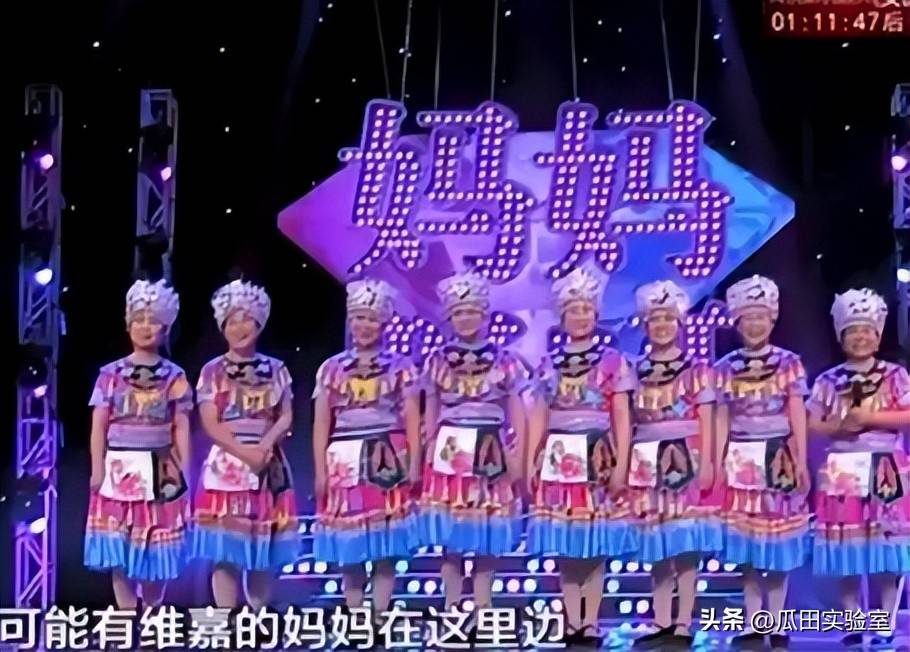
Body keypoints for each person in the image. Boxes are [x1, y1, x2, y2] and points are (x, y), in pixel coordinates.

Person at [526, 266, 639, 647]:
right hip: (559, 458)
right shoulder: (549, 364)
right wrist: (530, 459)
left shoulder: (612, 361)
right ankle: (572, 619)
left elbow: (621, 416)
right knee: (567, 544)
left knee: (595, 544)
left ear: (596, 314)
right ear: (562, 316)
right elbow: (539, 415)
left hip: (597, 457)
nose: (580, 316)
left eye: (586, 309)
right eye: (573, 310)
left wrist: (622, 464)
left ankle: (591, 621)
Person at [419, 271, 530, 614]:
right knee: (450, 536)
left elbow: (517, 410)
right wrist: (427, 450)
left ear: (484, 314)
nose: (465, 318)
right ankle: (452, 607)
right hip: (450, 448)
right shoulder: (437, 360)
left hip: (490, 446)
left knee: (487, 533)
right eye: (458, 312)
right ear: (449, 317)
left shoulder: (505, 360)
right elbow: (431, 410)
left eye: (471, 311)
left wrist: (518, 455)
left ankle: (483, 608)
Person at [311, 279, 420, 616]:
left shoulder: (401, 366)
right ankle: (356, 613)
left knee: (386, 543)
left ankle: (379, 615)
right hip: (344, 458)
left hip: (388, 453)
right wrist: (320, 471)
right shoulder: (331, 368)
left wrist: (414, 463)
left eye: (372, 318)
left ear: (384, 322)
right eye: (359, 317)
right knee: (350, 543)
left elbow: (412, 418)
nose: (365, 325)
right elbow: (321, 423)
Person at [808, 288, 910, 649]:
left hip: (885, 468)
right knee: (847, 551)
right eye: (852, 330)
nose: (860, 336)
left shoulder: (896, 375)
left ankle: (884, 625)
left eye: (867, 330)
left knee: (886, 551)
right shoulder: (827, 380)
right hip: (842, 470)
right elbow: (811, 423)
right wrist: (838, 427)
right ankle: (853, 622)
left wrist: (871, 419)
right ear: (841, 336)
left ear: (878, 336)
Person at [714, 276, 810, 652]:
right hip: (740, 458)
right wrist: (717, 460)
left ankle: (779, 622)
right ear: (737, 323)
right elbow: (722, 417)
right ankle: (755, 623)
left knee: (780, 544)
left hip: (778, 457)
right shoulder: (724, 367)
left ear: (772, 320)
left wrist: (800, 459)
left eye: (761, 317)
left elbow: (796, 413)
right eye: (748, 318)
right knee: (748, 546)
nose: (755, 325)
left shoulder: (789, 363)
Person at [192, 280, 300, 610]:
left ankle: (257, 618)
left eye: (247, 319)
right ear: (222, 327)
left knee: (262, 550)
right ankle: (224, 621)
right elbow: (210, 422)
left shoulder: (276, 369)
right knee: (225, 552)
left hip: (269, 462)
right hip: (227, 463)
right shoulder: (212, 371)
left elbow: (285, 416)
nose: (240, 328)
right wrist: (243, 453)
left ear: (260, 323)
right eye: (232, 321)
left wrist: (264, 446)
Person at [84, 280, 191, 609]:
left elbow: (181, 426)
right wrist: (97, 469)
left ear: (165, 328)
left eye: (153, 320)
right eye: (139, 319)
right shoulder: (110, 374)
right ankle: (127, 617)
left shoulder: (174, 376)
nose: (145, 326)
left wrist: (185, 471)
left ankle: (152, 613)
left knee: (156, 551)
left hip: (161, 469)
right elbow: (99, 425)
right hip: (119, 470)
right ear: (128, 324)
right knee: (120, 550)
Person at [628, 280, 721, 651]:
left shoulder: (698, 370)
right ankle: (661, 620)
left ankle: (684, 621)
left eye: (668, 319)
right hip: (646, 458)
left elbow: (708, 418)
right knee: (656, 542)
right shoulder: (633, 370)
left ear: (680, 323)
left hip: (687, 455)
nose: (662, 326)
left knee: (685, 543)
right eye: (655, 319)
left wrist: (709, 461)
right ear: (645, 325)